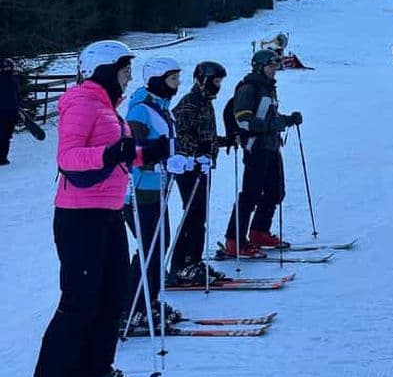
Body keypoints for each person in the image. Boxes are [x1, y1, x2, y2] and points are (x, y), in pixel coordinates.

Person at [28, 40, 170, 377]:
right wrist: (113, 153)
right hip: (79, 216)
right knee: (79, 301)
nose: (127, 77)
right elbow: (69, 157)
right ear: (105, 70)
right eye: (123, 70)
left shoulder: (109, 108)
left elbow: (116, 153)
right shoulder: (82, 103)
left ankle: (94, 371)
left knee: (112, 294)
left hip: (108, 212)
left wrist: (143, 153)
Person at [122, 57, 185, 327]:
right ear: (158, 79)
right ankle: (134, 307)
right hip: (138, 190)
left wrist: (182, 160)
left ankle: (149, 300)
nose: (177, 85)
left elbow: (165, 145)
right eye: (173, 79)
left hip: (157, 187)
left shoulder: (163, 109)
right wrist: (160, 161)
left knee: (159, 245)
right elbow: (131, 152)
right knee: (151, 247)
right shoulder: (140, 111)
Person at [222, 49, 302, 255]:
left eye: (276, 66)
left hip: (271, 146)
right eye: (271, 66)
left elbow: (268, 116)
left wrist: (288, 119)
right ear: (259, 67)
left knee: (276, 192)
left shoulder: (268, 88)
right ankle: (234, 240)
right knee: (250, 195)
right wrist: (277, 123)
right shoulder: (249, 88)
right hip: (256, 148)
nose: (275, 70)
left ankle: (259, 231)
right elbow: (243, 119)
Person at [170, 61, 226, 279]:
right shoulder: (190, 103)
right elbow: (178, 135)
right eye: (215, 81)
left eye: (219, 81)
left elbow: (203, 135)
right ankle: (183, 264)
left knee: (198, 214)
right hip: (189, 167)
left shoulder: (204, 102)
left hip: (202, 166)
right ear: (201, 80)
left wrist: (221, 142)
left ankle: (194, 260)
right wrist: (197, 152)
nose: (217, 85)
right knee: (194, 214)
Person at [0, 58, 19, 165]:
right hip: (11, 112)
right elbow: (16, 96)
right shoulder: (14, 81)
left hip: (3, 112)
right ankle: (2, 158)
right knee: (6, 136)